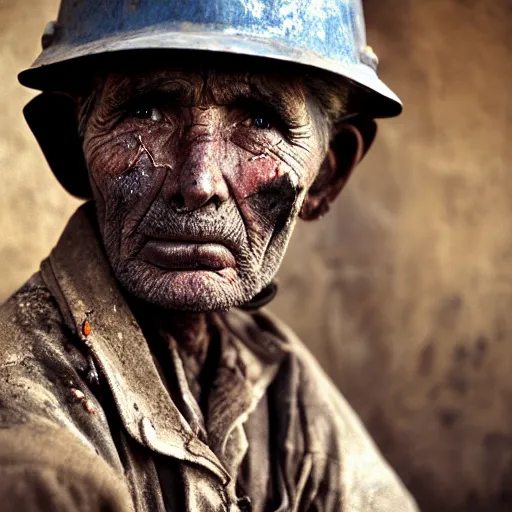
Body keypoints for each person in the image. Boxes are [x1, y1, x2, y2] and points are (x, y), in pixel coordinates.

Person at [0, 0, 418, 510]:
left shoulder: (269, 372)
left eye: (260, 118)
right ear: (70, 142)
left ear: (328, 173)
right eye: (146, 109)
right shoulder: (31, 444)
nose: (199, 183)